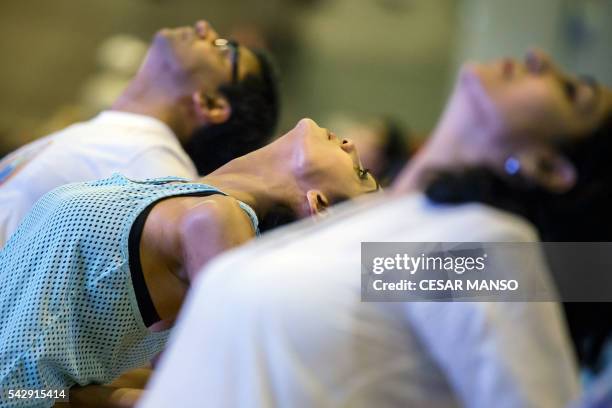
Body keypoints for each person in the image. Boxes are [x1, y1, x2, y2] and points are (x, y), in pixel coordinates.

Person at [138, 50, 611, 408]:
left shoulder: (478, 248)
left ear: (548, 167)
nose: (538, 57)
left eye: (572, 92)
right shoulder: (395, 230)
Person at [0, 117, 376, 407]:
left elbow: (207, 395)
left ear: (320, 206)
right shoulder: (185, 193)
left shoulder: (220, 222)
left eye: (359, 172)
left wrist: (41, 394)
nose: (351, 144)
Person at [0, 20, 279, 248]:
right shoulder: (125, 141)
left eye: (224, 48)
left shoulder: (156, 180)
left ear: (212, 104)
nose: (205, 27)